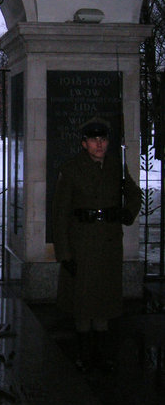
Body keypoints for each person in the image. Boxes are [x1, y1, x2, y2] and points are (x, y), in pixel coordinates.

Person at [52, 118, 141, 373]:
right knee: (83, 303)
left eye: (103, 139)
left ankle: (102, 354)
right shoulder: (71, 169)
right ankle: (83, 354)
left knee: (103, 300)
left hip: (109, 242)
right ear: (84, 143)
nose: (99, 144)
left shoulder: (115, 167)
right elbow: (60, 214)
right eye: (93, 140)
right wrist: (65, 253)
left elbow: (134, 193)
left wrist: (127, 212)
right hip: (82, 242)